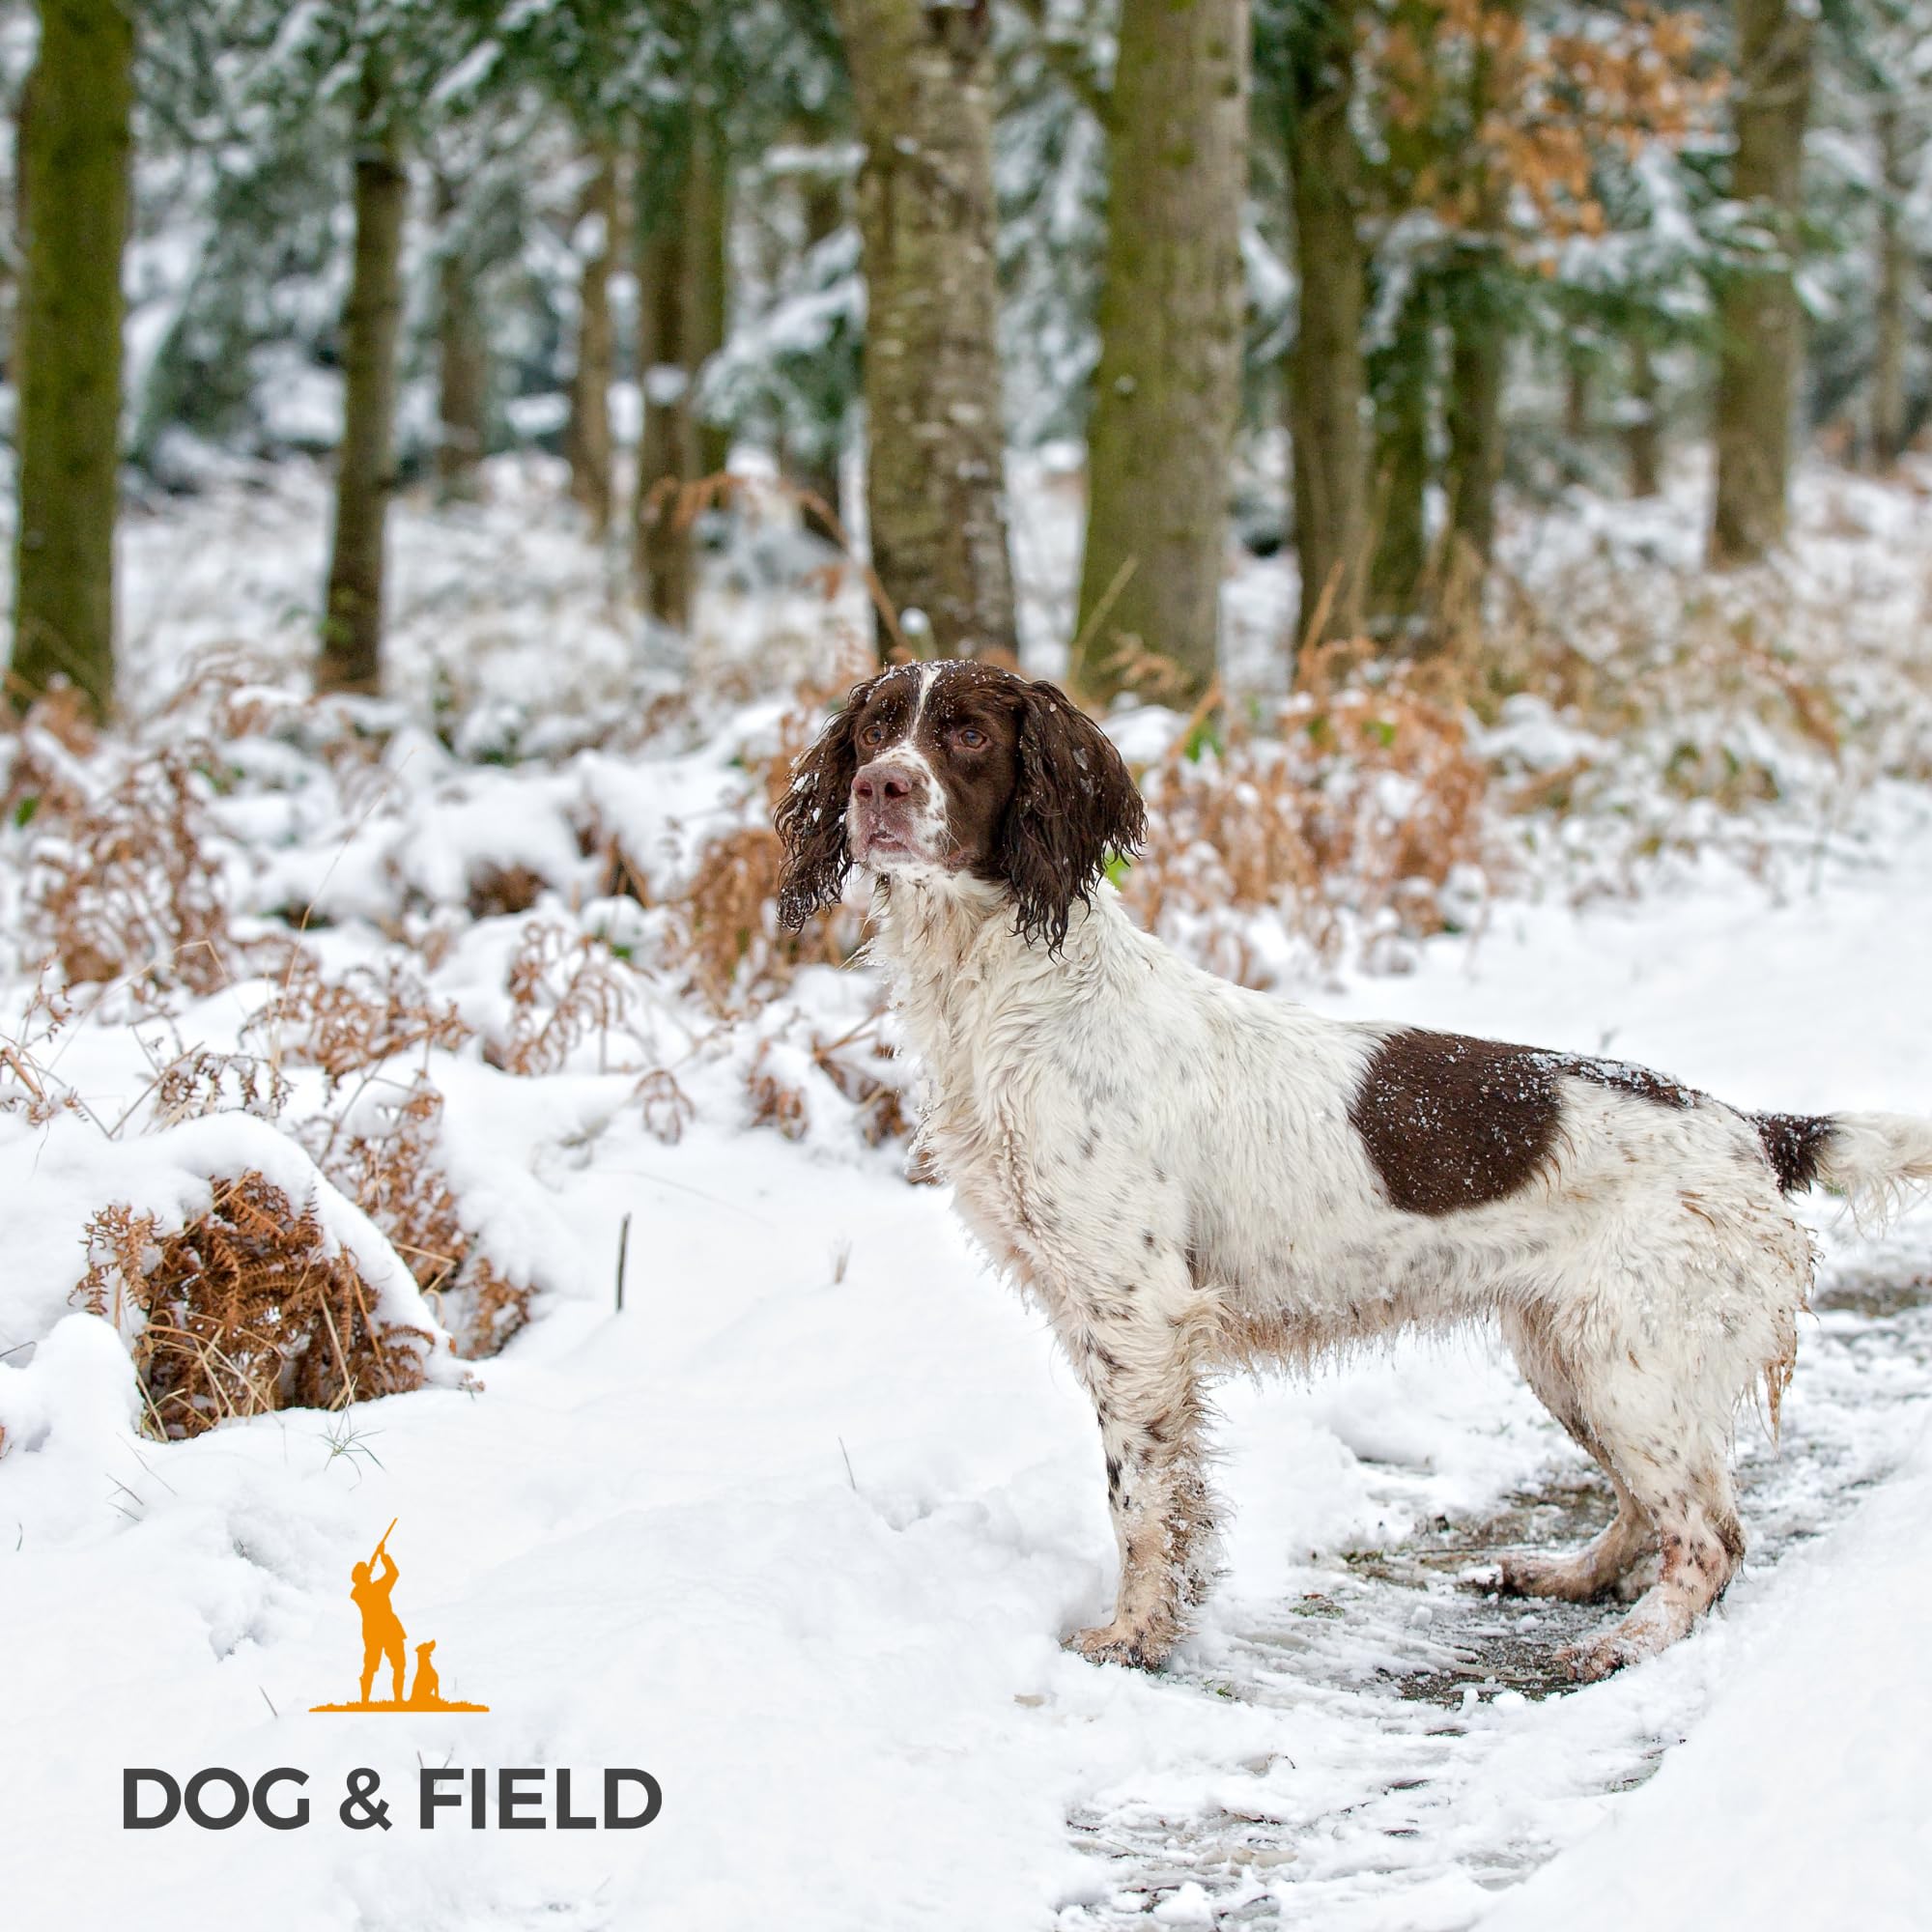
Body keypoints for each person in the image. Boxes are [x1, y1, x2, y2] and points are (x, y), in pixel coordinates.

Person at [351, 1537, 406, 1705]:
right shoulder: (370, 1591)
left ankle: (394, 1700)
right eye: (365, 1572)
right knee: (373, 1667)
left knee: (396, 1665)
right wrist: (383, 1556)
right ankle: (368, 1701)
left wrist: (376, 1560)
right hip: (384, 1631)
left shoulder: (364, 1590)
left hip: (378, 1631)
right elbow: (393, 1573)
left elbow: (392, 1575)